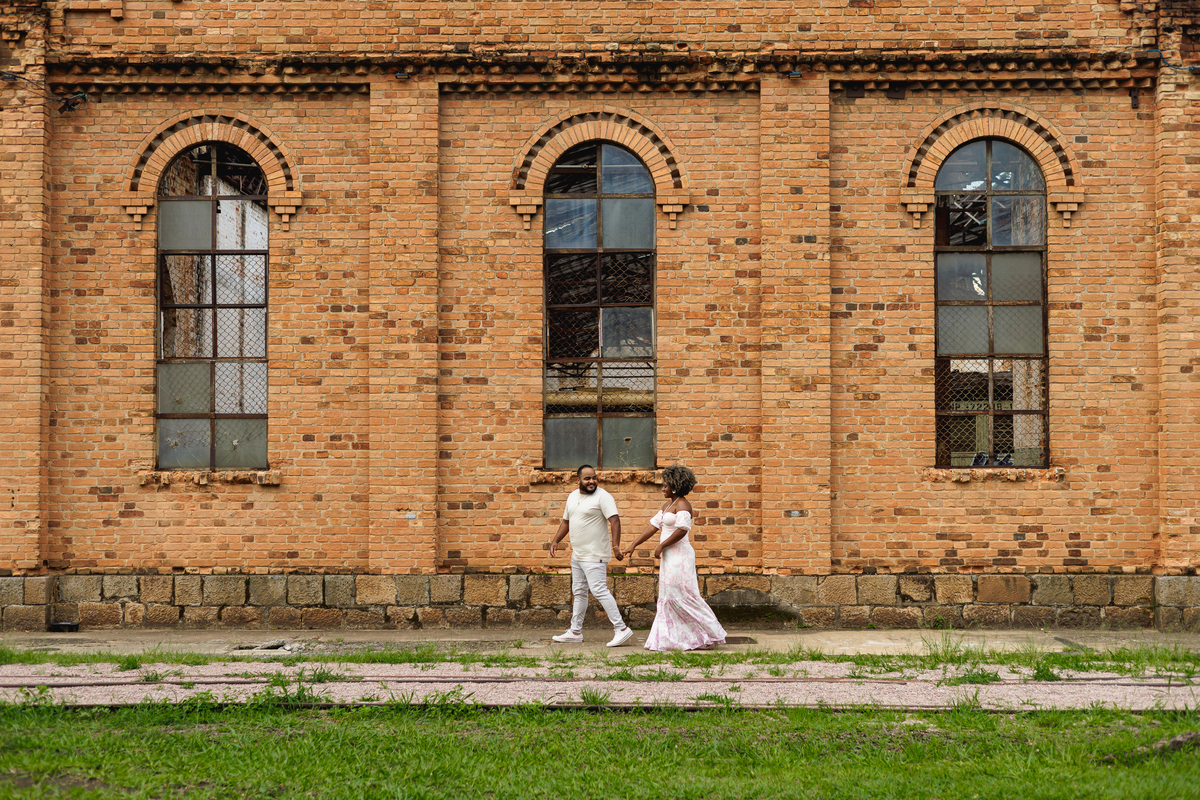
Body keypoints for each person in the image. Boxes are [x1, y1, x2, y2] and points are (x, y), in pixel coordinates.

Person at [621, 464, 726, 651]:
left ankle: (710, 634)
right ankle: (673, 639)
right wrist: (633, 545)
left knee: (682, 594)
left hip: (680, 557)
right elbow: (653, 526)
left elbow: (682, 531)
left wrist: (661, 546)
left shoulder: (683, 504)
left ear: (675, 485)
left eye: (665, 485)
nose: (662, 488)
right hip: (669, 557)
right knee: (668, 595)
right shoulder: (667, 505)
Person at [548, 465, 635, 647]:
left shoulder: (603, 496)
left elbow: (615, 520)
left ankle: (621, 629)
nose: (592, 481)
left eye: (594, 478)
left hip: (595, 554)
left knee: (599, 590)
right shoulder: (572, 496)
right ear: (578, 479)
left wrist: (616, 546)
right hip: (578, 554)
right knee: (579, 592)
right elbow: (566, 521)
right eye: (587, 478)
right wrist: (556, 540)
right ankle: (575, 631)